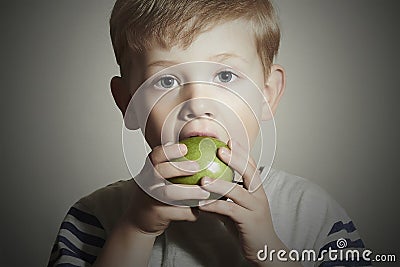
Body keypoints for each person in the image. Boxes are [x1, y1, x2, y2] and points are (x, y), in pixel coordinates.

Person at [47, 1, 371, 266]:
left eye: (226, 76)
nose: (197, 104)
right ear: (129, 103)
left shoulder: (312, 213)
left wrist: (270, 251)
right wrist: (135, 230)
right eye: (167, 81)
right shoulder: (93, 217)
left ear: (267, 93)